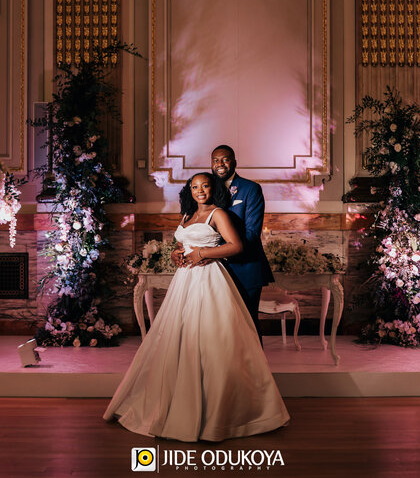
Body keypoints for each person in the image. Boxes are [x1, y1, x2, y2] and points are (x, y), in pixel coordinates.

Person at [104, 173, 289, 442]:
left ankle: (217, 412)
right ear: (188, 191)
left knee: (212, 340)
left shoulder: (218, 214)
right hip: (185, 281)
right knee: (180, 338)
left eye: (205, 186)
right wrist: (176, 252)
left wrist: (202, 253)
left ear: (213, 189)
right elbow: (182, 244)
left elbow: (236, 246)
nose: (200, 190)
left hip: (210, 278)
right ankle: (179, 402)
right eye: (194, 187)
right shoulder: (187, 216)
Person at [173, 145, 274, 343]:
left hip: (243, 268)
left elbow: (252, 234)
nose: (220, 164)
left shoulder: (250, 189)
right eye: (215, 160)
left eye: (225, 159)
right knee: (215, 331)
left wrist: (209, 253)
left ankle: (254, 373)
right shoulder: (203, 191)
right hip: (210, 274)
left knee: (247, 327)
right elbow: (191, 229)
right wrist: (178, 250)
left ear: (234, 161)